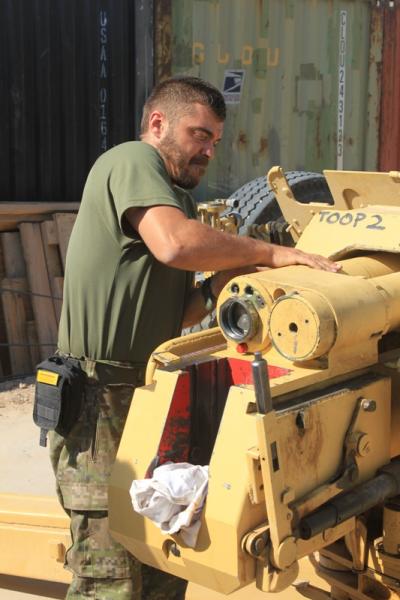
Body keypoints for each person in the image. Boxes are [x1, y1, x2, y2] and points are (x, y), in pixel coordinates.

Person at [50, 76, 340, 599]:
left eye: (215, 141)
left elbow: (177, 312)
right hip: (100, 401)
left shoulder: (174, 198)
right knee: (110, 575)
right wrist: (268, 251)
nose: (208, 150)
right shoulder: (132, 160)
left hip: (148, 391)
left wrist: (217, 287)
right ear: (158, 123)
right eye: (199, 134)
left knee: (166, 558)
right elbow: (175, 246)